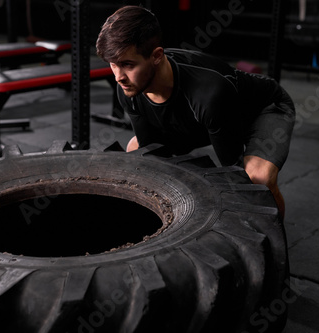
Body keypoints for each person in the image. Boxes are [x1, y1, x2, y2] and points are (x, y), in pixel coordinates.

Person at [96, 5, 296, 221]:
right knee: (136, 150)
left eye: (127, 65)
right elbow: (151, 152)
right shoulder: (128, 89)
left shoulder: (208, 92)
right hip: (207, 119)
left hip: (263, 109)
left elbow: (233, 174)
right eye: (113, 65)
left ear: (156, 56)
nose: (118, 76)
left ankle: (272, 247)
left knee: (257, 179)